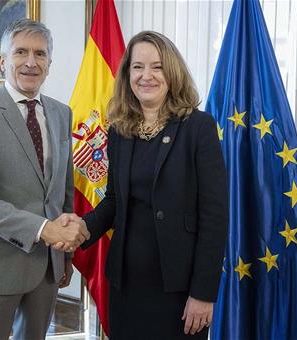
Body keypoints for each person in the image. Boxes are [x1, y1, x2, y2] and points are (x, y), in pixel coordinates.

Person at [77, 31, 228, 339]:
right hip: (126, 284)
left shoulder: (198, 128)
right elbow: (115, 201)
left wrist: (203, 292)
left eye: (157, 67)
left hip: (180, 288)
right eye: (137, 67)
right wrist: (79, 229)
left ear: (172, 72)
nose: (147, 76)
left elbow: (215, 216)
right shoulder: (120, 130)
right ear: (127, 74)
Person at [0, 19, 89, 340]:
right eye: (21, 52)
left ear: (49, 63)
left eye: (40, 54)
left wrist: (65, 253)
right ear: (2, 60)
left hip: (47, 268)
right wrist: (44, 229)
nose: (31, 62)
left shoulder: (60, 113)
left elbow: (62, 190)